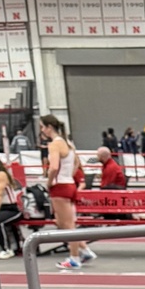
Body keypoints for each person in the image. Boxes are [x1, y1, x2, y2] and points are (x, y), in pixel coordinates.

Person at [39, 113, 94, 270]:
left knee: (68, 225)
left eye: (42, 127)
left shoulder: (54, 144)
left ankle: (74, 258)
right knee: (63, 223)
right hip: (69, 184)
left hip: (60, 186)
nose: (42, 131)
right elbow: (76, 162)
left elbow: (54, 167)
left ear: (49, 127)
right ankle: (84, 249)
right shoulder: (67, 142)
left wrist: (49, 182)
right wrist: (69, 175)